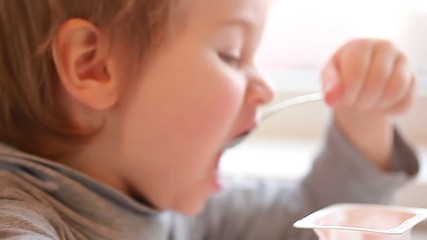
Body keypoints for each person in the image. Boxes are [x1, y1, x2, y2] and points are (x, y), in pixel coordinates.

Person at [0, 0, 419, 239]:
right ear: (94, 65)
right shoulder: (17, 220)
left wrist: (364, 116)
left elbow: (314, 220)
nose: (267, 90)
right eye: (232, 54)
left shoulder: (179, 207)